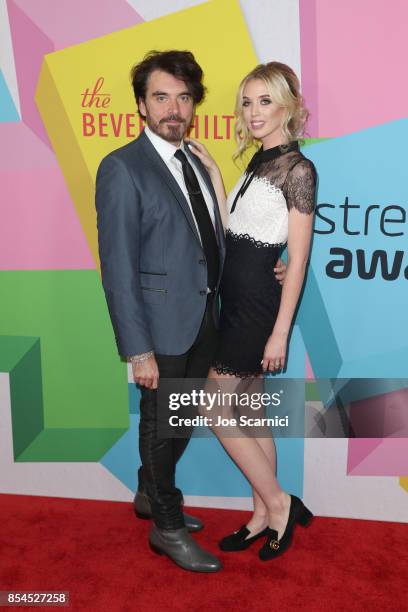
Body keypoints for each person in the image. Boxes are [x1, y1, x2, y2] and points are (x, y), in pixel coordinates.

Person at [95, 49, 287, 572]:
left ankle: (149, 492)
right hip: (159, 328)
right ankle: (167, 526)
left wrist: (272, 268)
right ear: (141, 104)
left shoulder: (196, 160)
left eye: (183, 97)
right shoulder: (121, 168)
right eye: (161, 97)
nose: (173, 108)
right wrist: (138, 350)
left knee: (177, 421)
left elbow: (219, 240)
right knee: (162, 426)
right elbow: (116, 268)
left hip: (207, 321)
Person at [187, 61, 316, 561]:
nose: (254, 111)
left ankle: (280, 504)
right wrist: (219, 174)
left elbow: (298, 258)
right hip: (234, 299)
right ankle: (262, 512)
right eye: (247, 101)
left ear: (289, 105)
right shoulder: (259, 162)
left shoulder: (298, 169)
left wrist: (280, 333)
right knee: (249, 408)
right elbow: (232, 230)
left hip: (258, 309)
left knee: (212, 404)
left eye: (265, 100)